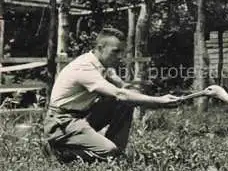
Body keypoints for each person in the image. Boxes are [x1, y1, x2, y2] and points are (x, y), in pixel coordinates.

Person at [43, 27, 180, 163]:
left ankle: (116, 152)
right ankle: (60, 152)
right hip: (62, 122)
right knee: (109, 152)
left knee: (124, 104)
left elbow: (125, 90)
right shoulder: (85, 67)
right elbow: (119, 94)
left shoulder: (101, 65)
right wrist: (158, 101)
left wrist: (157, 103)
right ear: (100, 48)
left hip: (80, 117)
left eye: (122, 52)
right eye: (115, 52)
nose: (120, 57)